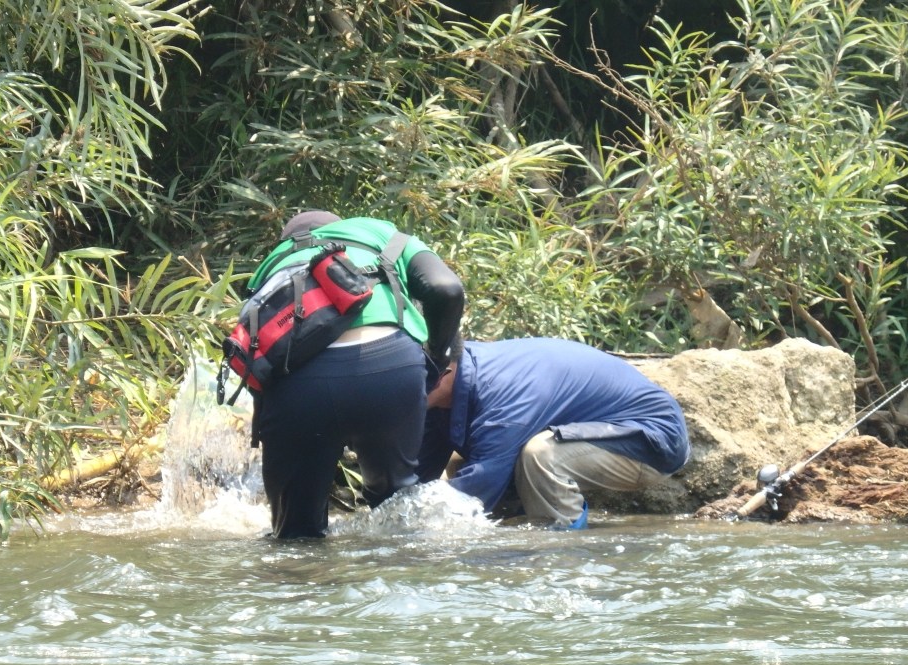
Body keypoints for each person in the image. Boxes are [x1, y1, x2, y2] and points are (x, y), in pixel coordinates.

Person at [256, 210, 464, 538]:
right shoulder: (381, 231)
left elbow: (257, 356)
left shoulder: (275, 261)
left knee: (295, 534)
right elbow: (447, 289)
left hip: (299, 384)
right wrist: (434, 360)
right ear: (341, 226)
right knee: (396, 509)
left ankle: (300, 581)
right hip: (392, 366)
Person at [418, 337, 690, 529]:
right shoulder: (453, 374)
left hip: (651, 439)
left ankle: (561, 551)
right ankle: (525, 520)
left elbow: (473, 496)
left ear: (443, 373)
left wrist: (414, 542)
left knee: (541, 455)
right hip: (589, 427)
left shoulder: (499, 394)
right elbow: (418, 471)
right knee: (460, 466)